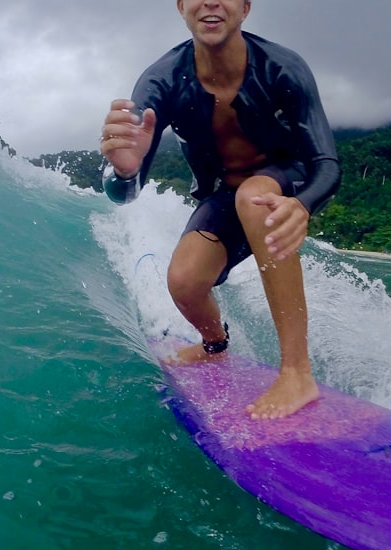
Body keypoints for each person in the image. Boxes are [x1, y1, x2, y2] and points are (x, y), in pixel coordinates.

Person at [99, 0, 341, 419]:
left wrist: (303, 205)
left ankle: (298, 373)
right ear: (180, 6)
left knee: (255, 195)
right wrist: (123, 173)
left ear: (245, 7)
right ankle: (215, 347)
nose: (211, 1)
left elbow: (326, 164)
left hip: (285, 179)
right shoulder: (162, 81)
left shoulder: (283, 67)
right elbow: (125, 192)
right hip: (223, 196)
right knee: (185, 282)